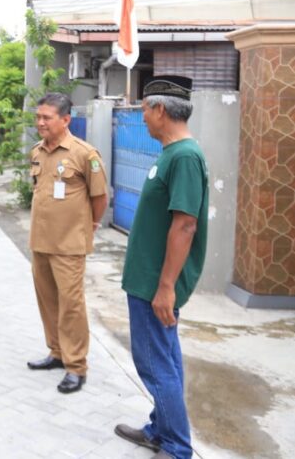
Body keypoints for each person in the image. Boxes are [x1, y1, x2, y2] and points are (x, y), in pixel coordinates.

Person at [114, 76, 208, 459]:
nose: (142, 119)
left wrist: (166, 286)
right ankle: (161, 428)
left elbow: (185, 224)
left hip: (156, 283)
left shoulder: (184, 156)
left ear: (160, 110)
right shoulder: (172, 153)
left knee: (154, 365)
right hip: (149, 278)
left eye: (144, 111)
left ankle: (176, 447)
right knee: (165, 359)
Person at [26, 93, 108, 395]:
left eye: (47, 118)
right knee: (48, 301)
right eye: (39, 117)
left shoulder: (84, 154)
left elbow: (100, 197)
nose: (41, 122)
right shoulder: (38, 152)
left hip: (69, 244)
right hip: (41, 240)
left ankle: (76, 366)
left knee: (72, 305)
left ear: (65, 120)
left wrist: (91, 226)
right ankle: (57, 353)